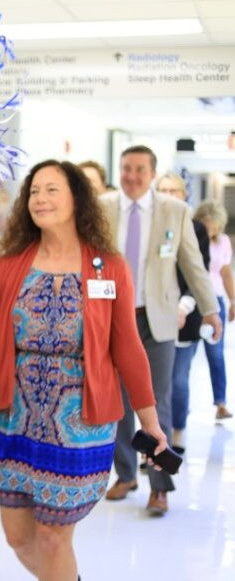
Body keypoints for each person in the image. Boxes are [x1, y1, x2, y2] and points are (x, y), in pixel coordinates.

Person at [0, 159, 164, 581]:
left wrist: (151, 424)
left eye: (52, 190)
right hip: (13, 420)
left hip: (80, 423)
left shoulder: (107, 266)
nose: (40, 199)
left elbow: (128, 349)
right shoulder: (11, 263)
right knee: (19, 538)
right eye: (34, 191)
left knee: (55, 539)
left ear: (77, 198)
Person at [99, 145, 219, 516]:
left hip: (158, 320)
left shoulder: (175, 210)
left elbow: (193, 265)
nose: (132, 176)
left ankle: (161, 485)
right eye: (125, 168)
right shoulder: (102, 208)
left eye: (139, 169)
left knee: (157, 403)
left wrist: (211, 309)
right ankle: (126, 474)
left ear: (152, 173)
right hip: (112, 317)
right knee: (116, 404)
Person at [154, 174, 211, 453]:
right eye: (162, 190)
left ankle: (177, 432)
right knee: (154, 387)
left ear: (184, 194)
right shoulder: (150, 225)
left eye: (173, 190)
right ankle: (155, 444)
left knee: (177, 381)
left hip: (185, 316)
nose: (167, 195)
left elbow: (199, 273)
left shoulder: (196, 227)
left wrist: (183, 308)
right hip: (152, 318)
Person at [193, 199, 234, 420]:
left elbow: (226, 273)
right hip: (192, 301)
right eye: (205, 225)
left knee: (216, 355)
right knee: (184, 357)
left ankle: (221, 402)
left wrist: (233, 300)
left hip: (215, 300)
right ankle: (179, 402)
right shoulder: (191, 238)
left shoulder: (223, 242)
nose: (209, 231)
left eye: (213, 226)